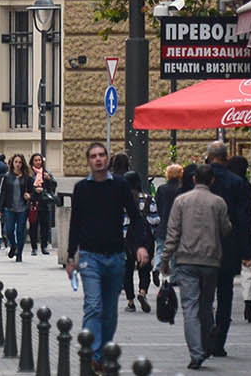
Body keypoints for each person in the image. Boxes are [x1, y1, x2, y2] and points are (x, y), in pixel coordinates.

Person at [64, 142, 148, 364]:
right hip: (90, 257)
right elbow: (75, 223)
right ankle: (92, 354)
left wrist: (140, 246)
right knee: (93, 305)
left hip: (116, 256)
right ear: (89, 161)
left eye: (102, 155)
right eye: (94, 156)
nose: (98, 159)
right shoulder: (82, 188)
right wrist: (71, 257)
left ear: (107, 159)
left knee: (109, 312)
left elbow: (135, 217)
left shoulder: (119, 186)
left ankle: (102, 352)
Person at [159, 162, 230, 370]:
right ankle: (206, 346)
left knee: (189, 307)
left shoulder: (181, 201)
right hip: (210, 261)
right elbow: (226, 230)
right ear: (212, 181)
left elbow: (172, 234)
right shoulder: (218, 203)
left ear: (193, 179)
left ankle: (196, 352)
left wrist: (165, 259)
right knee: (206, 307)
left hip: (186, 261)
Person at [204, 141, 251, 358]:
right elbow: (244, 220)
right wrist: (247, 251)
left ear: (208, 156)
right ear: (226, 157)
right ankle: (219, 339)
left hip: (201, 246)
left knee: (203, 294)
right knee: (225, 293)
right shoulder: (238, 183)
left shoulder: (199, 178)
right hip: (228, 245)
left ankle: (205, 336)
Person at [111, 153, 156, 313]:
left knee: (127, 270)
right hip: (145, 240)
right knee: (145, 269)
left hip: (125, 240)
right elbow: (155, 220)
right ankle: (142, 292)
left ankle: (130, 302)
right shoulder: (149, 199)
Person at [227, 155, 251, 324]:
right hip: (244, 231)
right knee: (247, 269)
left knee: (226, 273)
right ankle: (248, 303)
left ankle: (226, 307)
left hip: (226, 233)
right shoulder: (246, 186)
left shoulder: (224, 183)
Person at [153, 163, 185, 274]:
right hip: (177, 224)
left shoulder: (162, 189)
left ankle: (157, 267)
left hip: (163, 222)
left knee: (160, 248)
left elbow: (158, 205)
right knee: (175, 251)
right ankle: (174, 275)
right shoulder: (181, 190)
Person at [0, 154, 31, 261]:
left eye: (20, 162)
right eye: (16, 162)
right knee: (9, 230)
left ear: (22, 164)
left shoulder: (27, 177)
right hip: (10, 208)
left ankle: (19, 254)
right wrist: (0, 209)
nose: (18, 164)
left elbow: (32, 190)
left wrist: (29, 196)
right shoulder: (7, 176)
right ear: (12, 163)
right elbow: (3, 193)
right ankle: (13, 245)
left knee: (20, 231)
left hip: (23, 208)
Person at [26, 152, 58, 256]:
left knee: (45, 226)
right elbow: (26, 187)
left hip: (44, 203)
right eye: (36, 160)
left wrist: (49, 179)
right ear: (32, 162)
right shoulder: (29, 173)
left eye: (39, 160)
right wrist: (34, 191)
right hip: (34, 203)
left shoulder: (46, 173)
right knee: (33, 226)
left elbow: (54, 185)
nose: (38, 162)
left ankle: (44, 246)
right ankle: (34, 247)